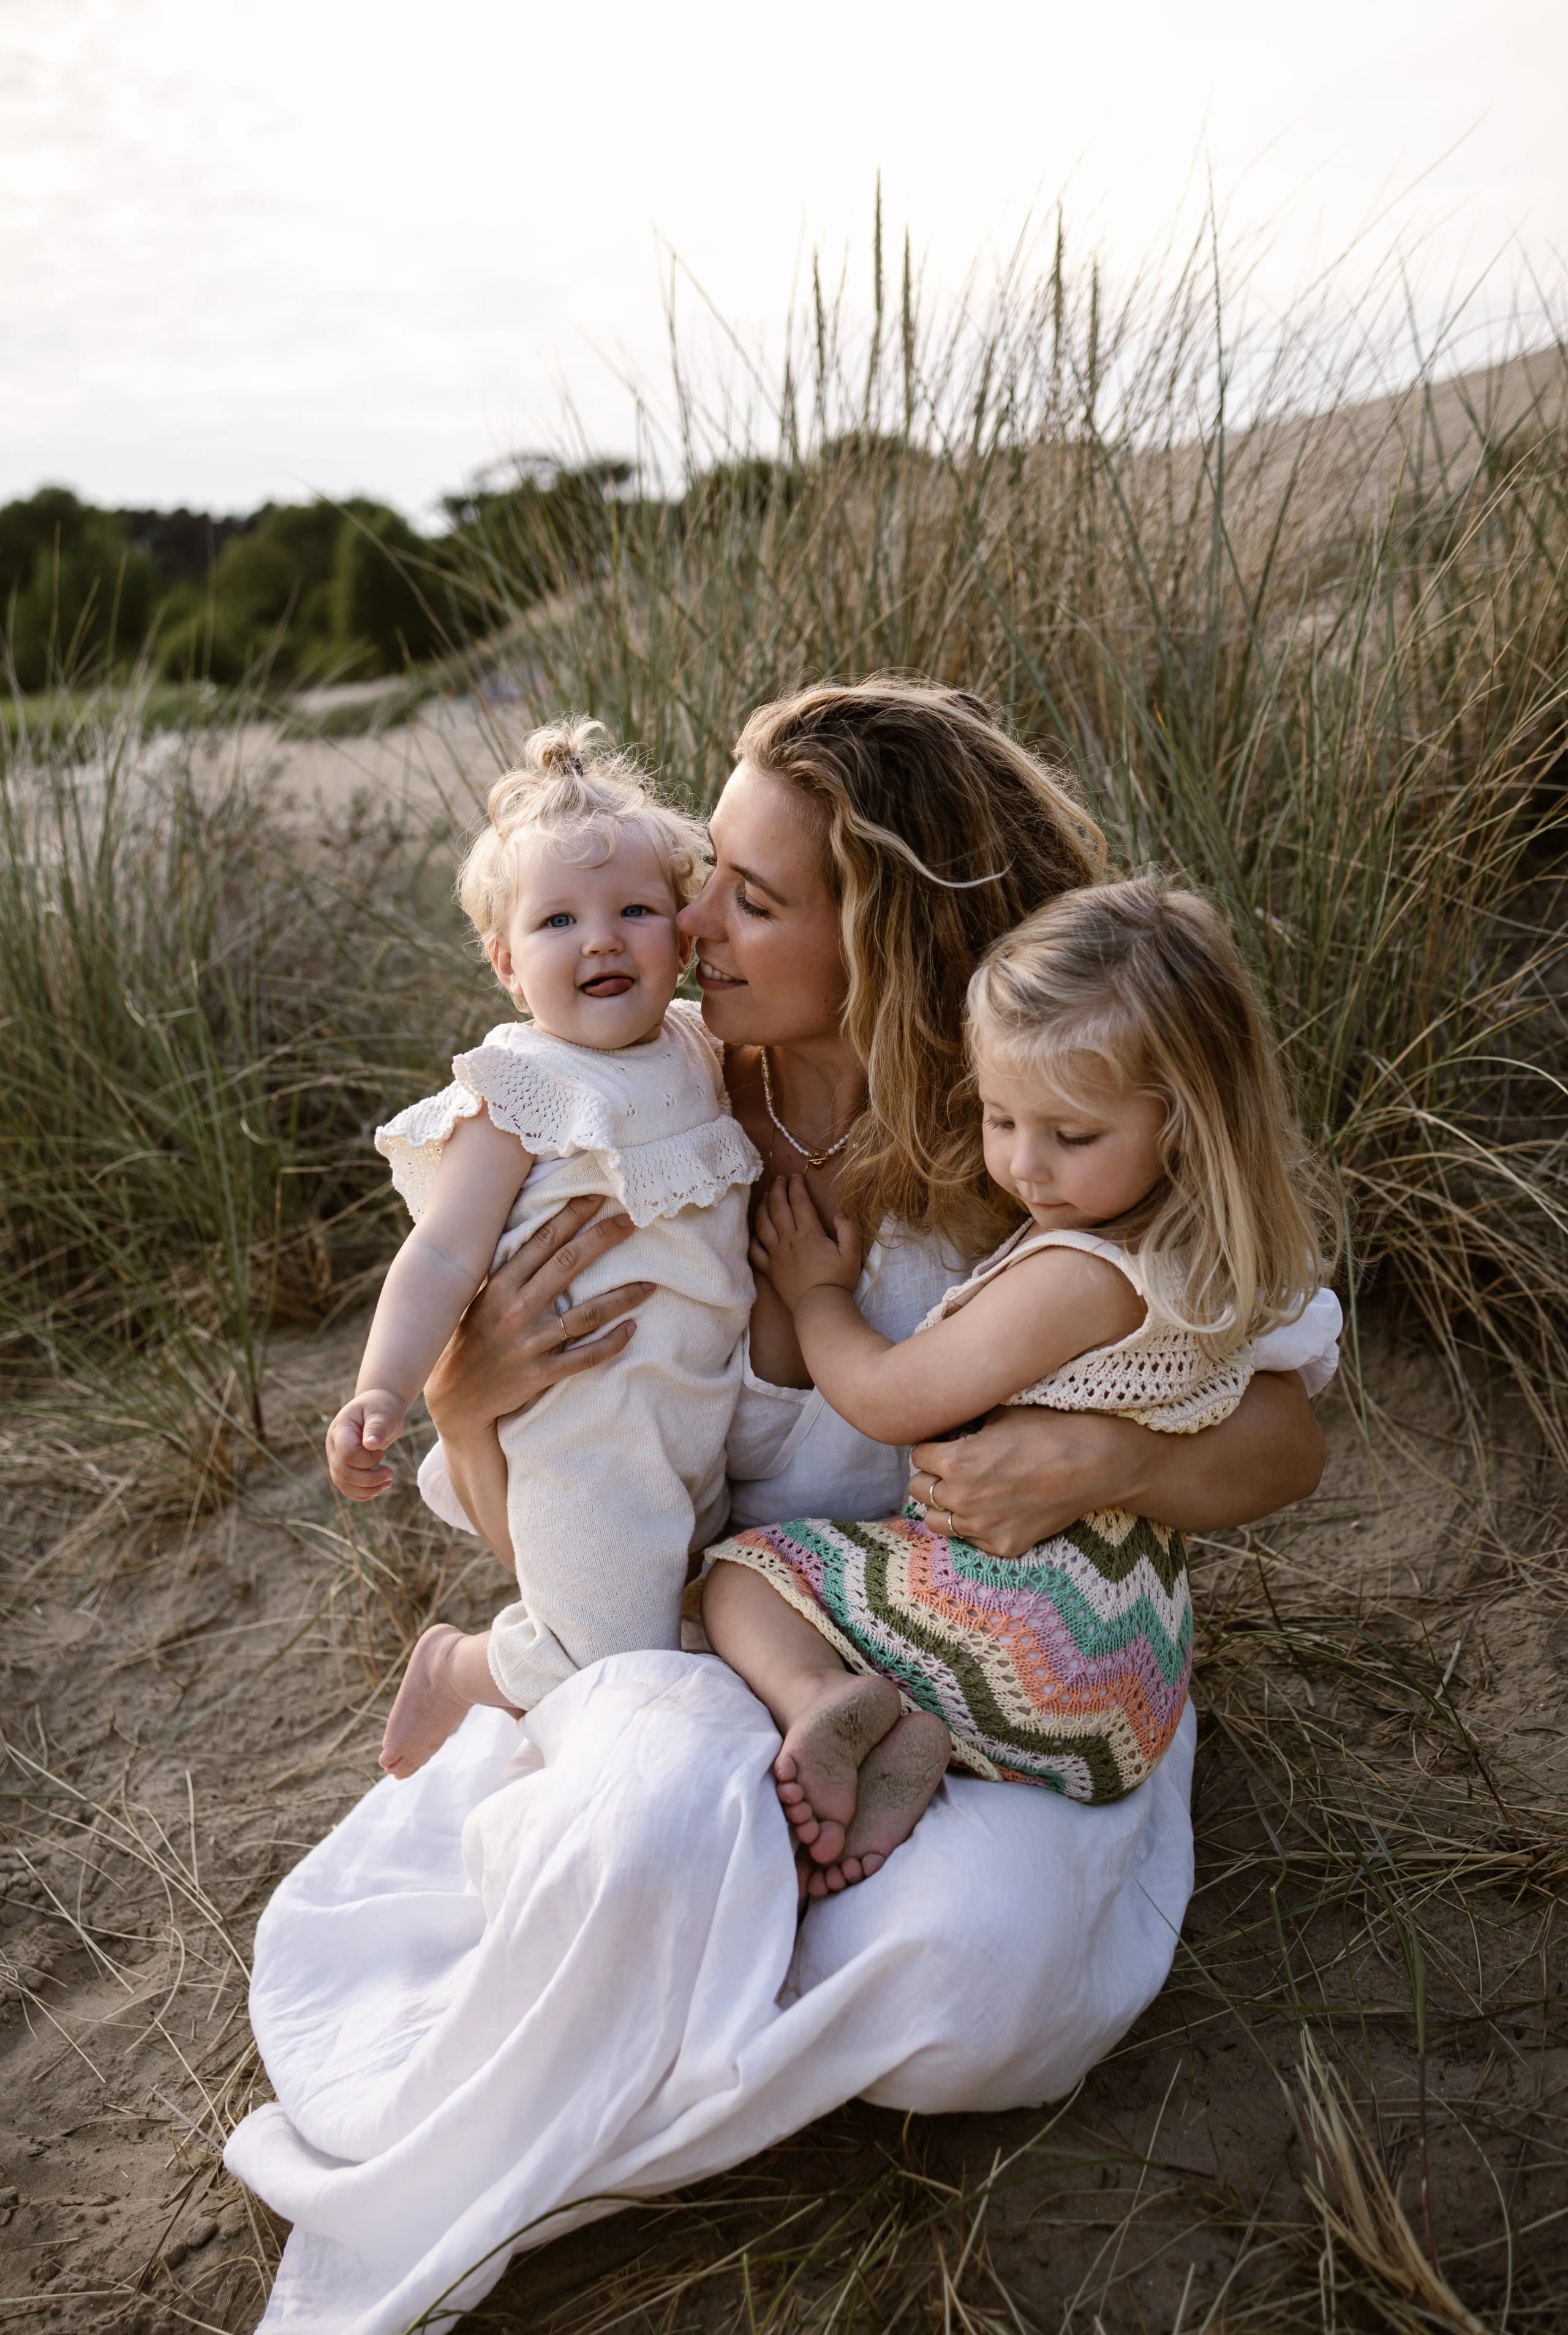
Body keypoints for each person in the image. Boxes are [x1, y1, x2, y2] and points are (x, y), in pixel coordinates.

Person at [225, 681, 1340, 2335]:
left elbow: (1292, 1428)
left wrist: (1122, 1465)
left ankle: (674, 2018)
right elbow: (559, 1507)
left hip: (977, 1667)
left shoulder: (1058, 1111)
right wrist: (469, 1398)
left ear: (882, 935)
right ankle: (608, 2084)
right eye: (705, 879)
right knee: (665, 1816)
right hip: (694, 1643)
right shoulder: (633, 1095)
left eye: (749, 896)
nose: (686, 919)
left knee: (994, 1980)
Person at [704, 877, 1336, 1892]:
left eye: (1071, 1136)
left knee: (742, 1577)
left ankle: (823, 1696)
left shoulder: (1075, 1277)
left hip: (1030, 1622)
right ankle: (917, 1748)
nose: (1025, 1168)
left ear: (1178, 1123)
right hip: (1137, 1678)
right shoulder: (1206, 1260)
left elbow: (891, 1399)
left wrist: (818, 1295)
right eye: (1000, 1120)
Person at [323, 720, 758, 1776]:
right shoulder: (517, 1088)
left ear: (683, 933)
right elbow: (439, 1256)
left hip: (705, 1416)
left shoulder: (702, 1046)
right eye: (559, 920)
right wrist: (382, 1385)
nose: (601, 939)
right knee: (604, 1654)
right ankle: (461, 1669)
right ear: (508, 964)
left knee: (703, 1625)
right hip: (586, 1435)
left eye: (635, 911)